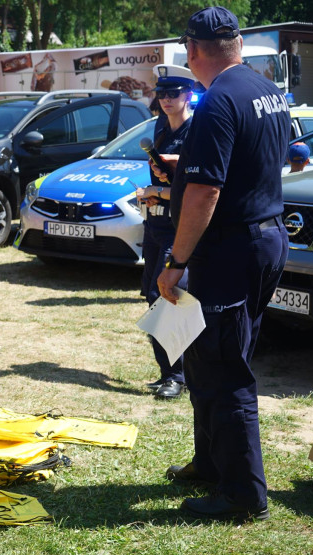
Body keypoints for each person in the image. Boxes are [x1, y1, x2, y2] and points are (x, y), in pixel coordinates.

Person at [156, 6, 289, 521]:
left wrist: (175, 261)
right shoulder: (266, 89)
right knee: (206, 358)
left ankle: (243, 495)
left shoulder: (216, 103)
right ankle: (210, 463)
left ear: (192, 50)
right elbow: (284, 155)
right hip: (262, 239)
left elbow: (205, 191)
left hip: (231, 248)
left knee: (225, 367)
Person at [138, 74, 194, 400]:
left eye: (173, 93)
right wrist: (153, 196)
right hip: (156, 225)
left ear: (188, 95)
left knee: (169, 297)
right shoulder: (160, 128)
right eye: (161, 94)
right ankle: (167, 372)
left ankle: (179, 375)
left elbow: (195, 192)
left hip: (180, 227)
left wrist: (157, 191)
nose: (166, 99)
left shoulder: (195, 133)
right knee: (151, 296)